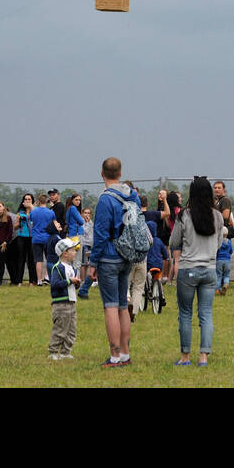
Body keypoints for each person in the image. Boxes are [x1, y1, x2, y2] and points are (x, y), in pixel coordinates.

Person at [88, 157, 140, 367]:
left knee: (110, 306)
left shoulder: (105, 199)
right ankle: (125, 354)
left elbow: (100, 234)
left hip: (109, 256)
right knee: (122, 305)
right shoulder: (132, 195)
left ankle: (115, 355)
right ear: (120, 173)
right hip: (127, 254)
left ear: (102, 173)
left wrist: (93, 263)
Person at [170, 176, 225, 367]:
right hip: (209, 270)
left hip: (188, 269)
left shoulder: (184, 215)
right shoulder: (217, 216)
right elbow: (219, 243)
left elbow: (174, 242)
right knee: (206, 313)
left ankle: (185, 357)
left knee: (185, 314)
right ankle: (203, 357)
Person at [48, 237, 80, 360]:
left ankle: (66, 352)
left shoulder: (73, 268)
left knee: (71, 330)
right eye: (73, 250)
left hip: (72, 303)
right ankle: (53, 351)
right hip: (61, 304)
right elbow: (55, 284)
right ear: (65, 253)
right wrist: (69, 281)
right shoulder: (58, 268)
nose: (75, 253)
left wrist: (76, 284)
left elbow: (71, 286)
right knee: (60, 329)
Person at [29, 194, 56, 287]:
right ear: (47, 202)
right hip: (47, 238)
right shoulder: (51, 212)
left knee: (38, 260)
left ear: (39, 201)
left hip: (36, 238)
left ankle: (39, 280)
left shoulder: (33, 212)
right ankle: (47, 277)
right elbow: (54, 223)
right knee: (49, 259)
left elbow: (31, 221)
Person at [215, 227, 233, 296]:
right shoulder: (229, 242)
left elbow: (216, 251)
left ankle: (217, 289)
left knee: (218, 275)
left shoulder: (218, 242)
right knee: (226, 275)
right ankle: (225, 284)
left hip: (219, 260)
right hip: (227, 261)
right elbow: (231, 251)